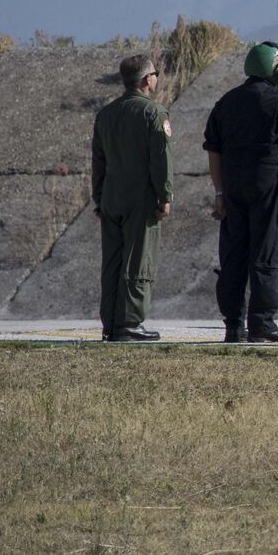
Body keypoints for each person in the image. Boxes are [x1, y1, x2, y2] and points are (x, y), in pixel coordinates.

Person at [204, 42, 278, 343]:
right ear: (277, 67)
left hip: (231, 183)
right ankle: (262, 322)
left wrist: (218, 193)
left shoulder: (225, 102)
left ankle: (233, 325)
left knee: (233, 253)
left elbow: (213, 151)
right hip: (267, 180)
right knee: (267, 249)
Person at [90, 53, 172, 342]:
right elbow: (160, 161)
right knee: (139, 259)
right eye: (155, 74)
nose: (156, 79)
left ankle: (111, 323)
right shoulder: (154, 114)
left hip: (111, 197)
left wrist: (98, 198)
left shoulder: (106, 114)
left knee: (112, 262)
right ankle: (130, 322)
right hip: (140, 198)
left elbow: (98, 162)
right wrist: (164, 196)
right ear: (146, 79)